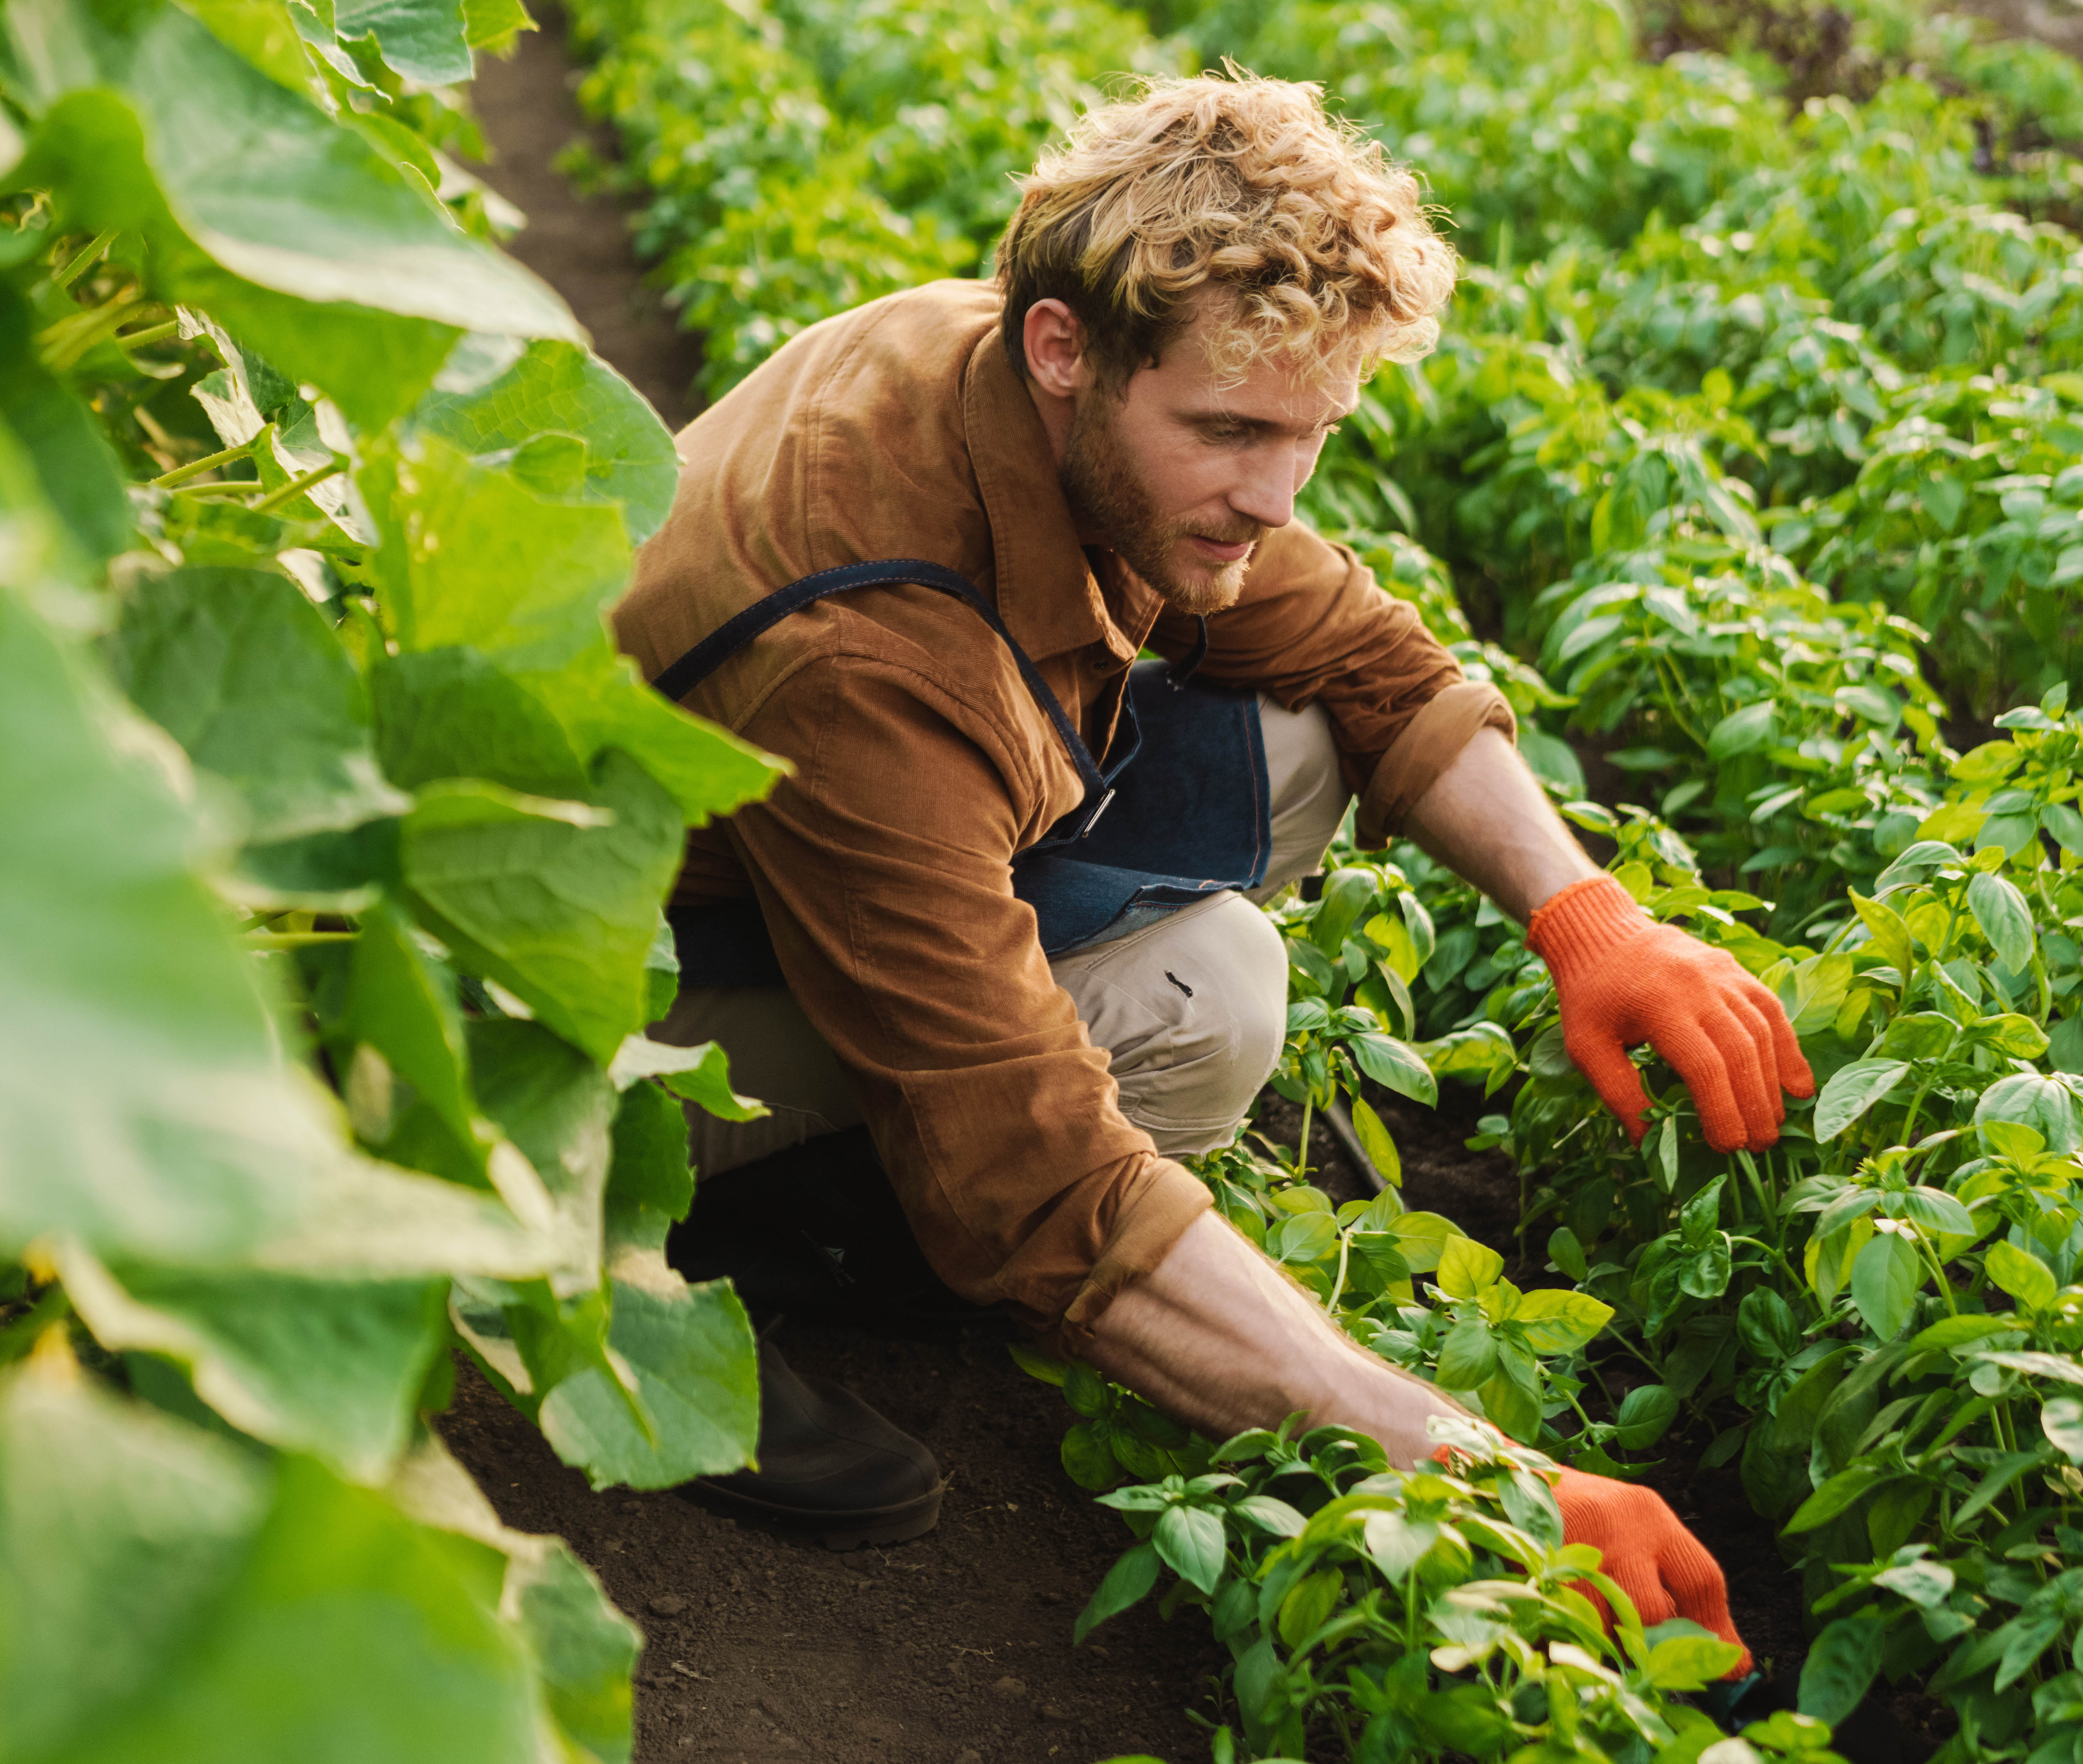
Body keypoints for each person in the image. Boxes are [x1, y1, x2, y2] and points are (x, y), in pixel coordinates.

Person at [616, 72, 1813, 1663]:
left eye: (1310, 433)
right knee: (1185, 1012)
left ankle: (825, 1208)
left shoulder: (1030, 383)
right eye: (1233, 431)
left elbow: (1366, 660)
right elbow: (1034, 1167)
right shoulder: (867, 642)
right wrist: (1478, 1470)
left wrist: (1588, 919)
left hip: (792, 862)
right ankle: (649, 1264)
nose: (1272, 488)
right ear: (1065, 352)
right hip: (598, 988)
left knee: (1288, 769)